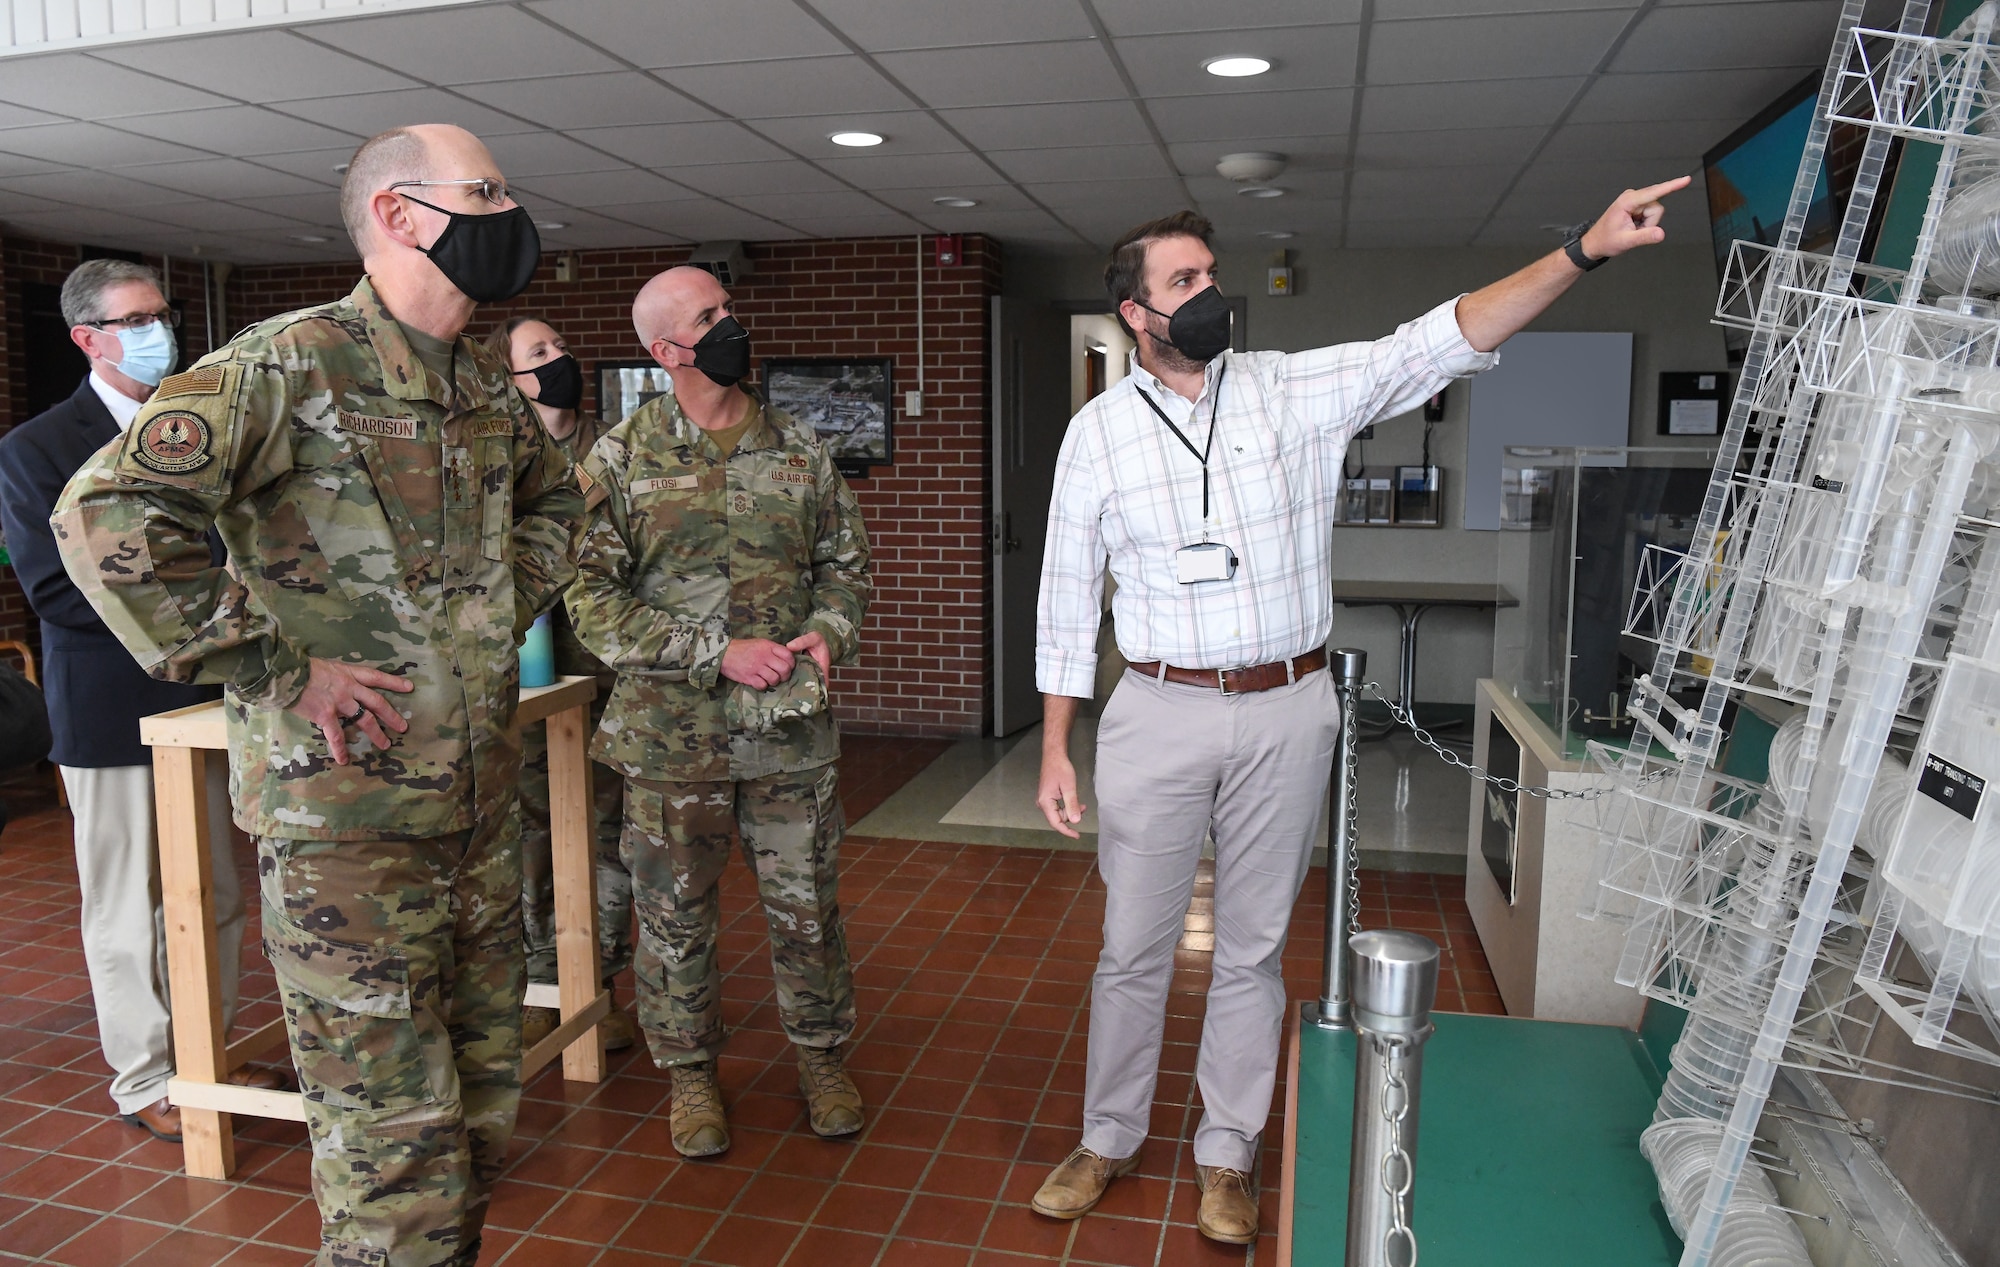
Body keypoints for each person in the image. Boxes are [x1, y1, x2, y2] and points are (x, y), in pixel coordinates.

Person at [1031, 181, 1690, 1244]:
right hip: (1155, 709)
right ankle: (1106, 1137)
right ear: (1137, 313)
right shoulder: (1095, 435)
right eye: (1183, 282)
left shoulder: (1291, 390)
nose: (1210, 295)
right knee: (1129, 948)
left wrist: (1581, 249)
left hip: (1286, 705)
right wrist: (1057, 745)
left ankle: (1225, 1153)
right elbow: (1064, 595)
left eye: (1211, 274)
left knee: (1250, 950)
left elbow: (1435, 339)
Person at [54, 125, 584, 1267]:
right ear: (400, 214)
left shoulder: (481, 381)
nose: (512, 215)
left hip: (484, 818)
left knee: (481, 1122)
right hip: (350, 828)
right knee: (392, 1155)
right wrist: (278, 666)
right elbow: (106, 517)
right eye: (485, 192)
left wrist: (489, 612)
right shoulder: (286, 365)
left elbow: (559, 506)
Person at [567, 265, 871, 1158]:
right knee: (674, 915)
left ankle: (821, 1056)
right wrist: (715, 651)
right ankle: (691, 1075)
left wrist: (825, 629)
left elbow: (845, 566)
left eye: (730, 309)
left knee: (807, 907)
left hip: (788, 735)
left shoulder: (801, 450)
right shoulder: (619, 460)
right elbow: (590, 600)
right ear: (667, 350)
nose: (733, 325)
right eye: (711, 317)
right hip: (671, 742)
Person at [0, 259, 288, 1143]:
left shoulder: (197, 428)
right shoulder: (38, 448)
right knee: (132, 908)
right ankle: (146, 1075)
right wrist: (201, 616)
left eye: (160, 313)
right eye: (133, 319)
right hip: (110, 709)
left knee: (213, 897)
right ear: (87, 338)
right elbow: (54, 587)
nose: (156, 330)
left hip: (207, 701)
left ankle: (209, 1052)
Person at [484, 315, 637, 1052]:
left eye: (562, 346)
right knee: (533, 832)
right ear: (510, 379)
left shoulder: (618, 447)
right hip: (530, 676)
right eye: (539, 354)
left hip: (609, 675)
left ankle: (599, 983)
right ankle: (542, 984)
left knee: (609, 835)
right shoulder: (495, 455)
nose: (560, 359)